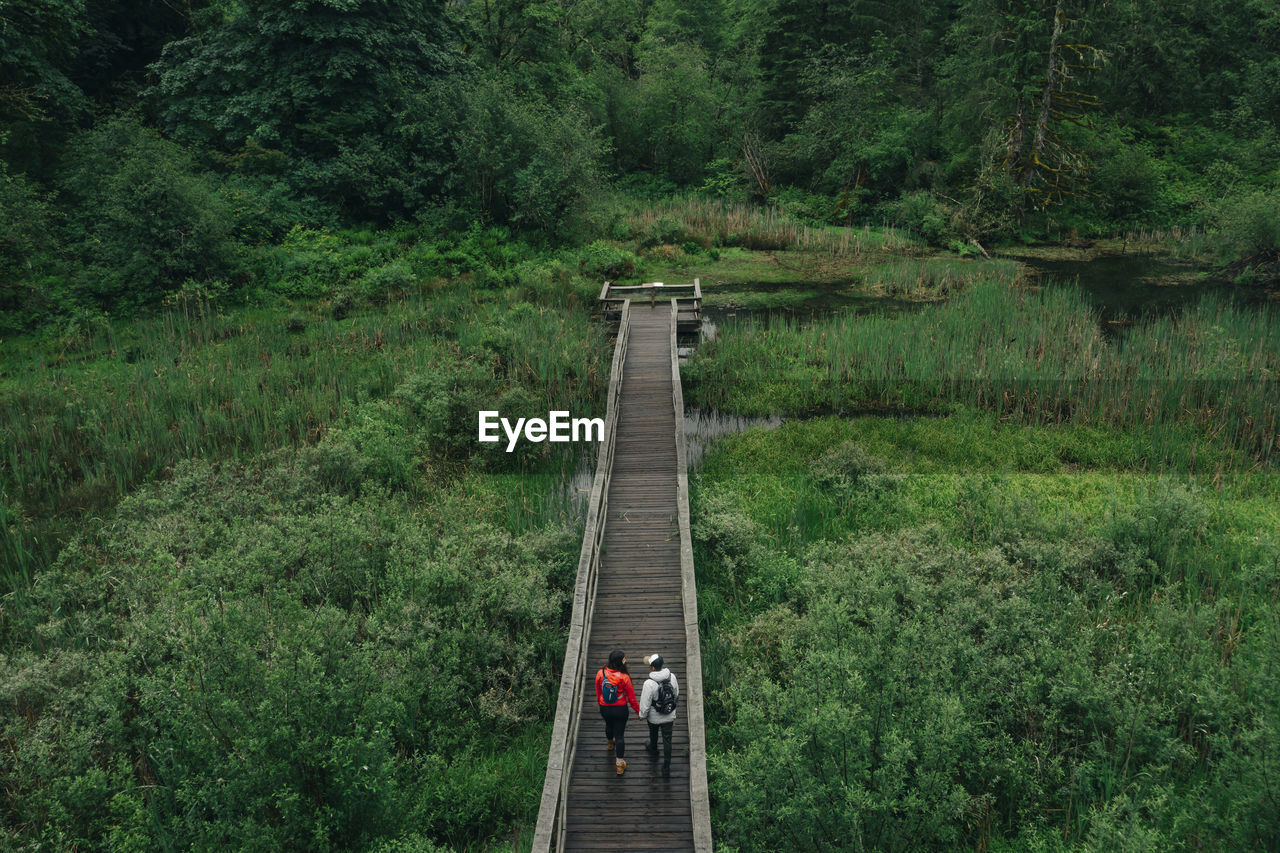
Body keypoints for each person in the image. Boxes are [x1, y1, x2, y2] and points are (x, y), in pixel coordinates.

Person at [596, 649, 640, 775]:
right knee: (619, 736)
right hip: (620, 709)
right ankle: (620, 765)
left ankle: (610, 743)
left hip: (605, 707)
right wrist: (638, 711)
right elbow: (631, 698)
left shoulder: (601, 673)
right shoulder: (624, 677)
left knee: (608, 725)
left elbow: (598, 691)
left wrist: (600, 704)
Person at [638, 652, 679, 778]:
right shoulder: (671, 677)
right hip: (669, 714)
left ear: (652, 668)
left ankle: (653, 748)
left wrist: (642, 715)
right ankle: (666, 766)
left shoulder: (649, 683)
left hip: (654, 717)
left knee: (653, 733)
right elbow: (676, 693)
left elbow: (645, 703)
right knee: (667, 739)